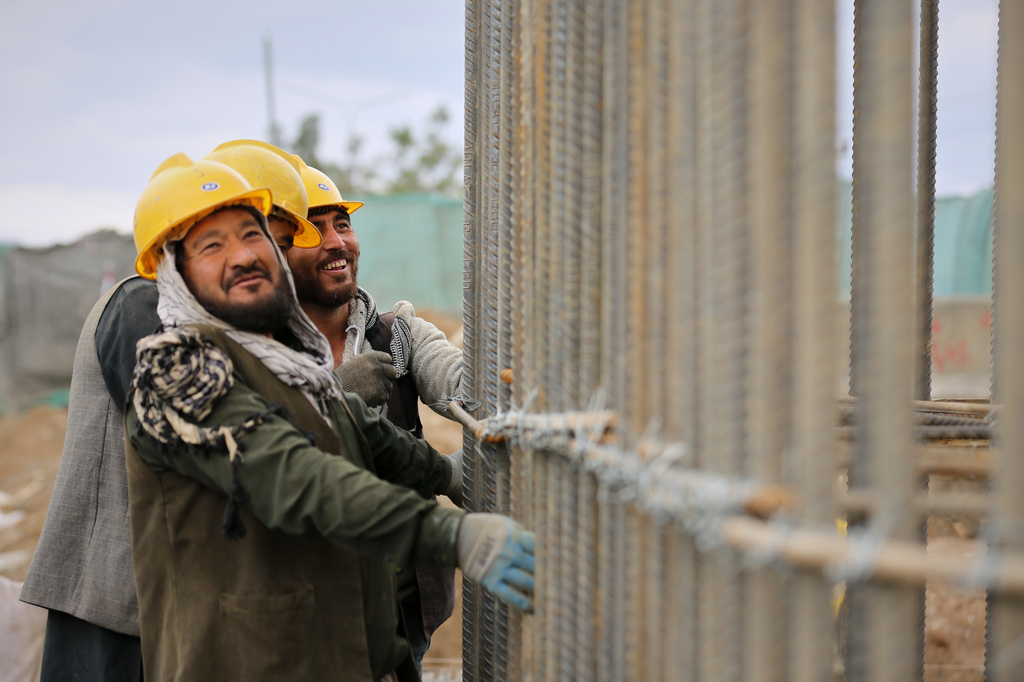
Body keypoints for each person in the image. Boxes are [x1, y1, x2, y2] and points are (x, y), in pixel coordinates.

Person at [124, 152, 534, 681]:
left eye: (253, 237)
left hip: (342, 649)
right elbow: (300, 477)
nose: (243, 256)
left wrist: (443, 473)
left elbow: (355, 429)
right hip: (250, 661)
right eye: (211, 245)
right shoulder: (179, 372)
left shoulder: (284, 358)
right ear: (174, 273)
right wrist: (452, 535)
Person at [18, 140, 323, 682]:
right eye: (264, 236)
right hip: (112, 603)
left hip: (173, 604)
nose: (263, 258)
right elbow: (219, 431)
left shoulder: (212, 313)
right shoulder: (142, 306)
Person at [288, 158, 467, 667]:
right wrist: (336, 391)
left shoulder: (399, 335)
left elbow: (463, 387)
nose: (335, 242)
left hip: (401, 609)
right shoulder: (261, 356)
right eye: (312, 230)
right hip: (310, 615)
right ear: (277, 249)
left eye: (341, 223)